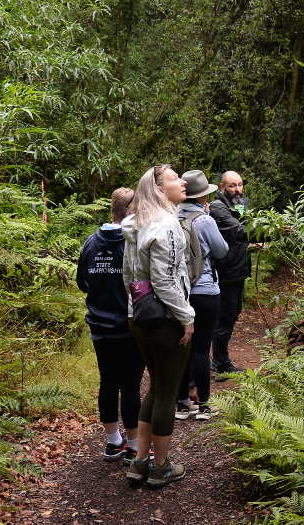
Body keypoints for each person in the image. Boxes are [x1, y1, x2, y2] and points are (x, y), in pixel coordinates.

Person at [121, 165, 195, 488]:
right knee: (167, 391)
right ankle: (161, 466)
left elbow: (127, 276)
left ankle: (139, 462)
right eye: (175, 178)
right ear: (159, 189)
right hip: (165, 319)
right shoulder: (166, 225)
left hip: (138, 316)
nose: (182, 181)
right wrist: (186, 316)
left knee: (154, 386)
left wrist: (137, 306)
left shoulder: (136, 224)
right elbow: (165, 280)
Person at [76, 187, 143, 463]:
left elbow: (82, 282)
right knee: (130, 386)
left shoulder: (91, 242)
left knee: (108, 382)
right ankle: (134, 445)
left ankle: (113, 441)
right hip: (128, 327)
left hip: (99, 326)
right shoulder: (131, 243)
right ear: (130, 211)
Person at [174, 170, 228, 421]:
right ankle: (205, 405)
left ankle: (182, 403)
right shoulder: (205, 220)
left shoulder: (171, 217)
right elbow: (222, 250)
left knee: (183, 346)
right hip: (205, 289)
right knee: (201, 348)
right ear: (203, 195)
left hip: (179, 291)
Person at [208, 170, 255, 377]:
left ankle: (219, 360)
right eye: (232, 186)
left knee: (232, 314)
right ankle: (220, 363)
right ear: (222, 187)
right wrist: (273, 232)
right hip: (225, 271)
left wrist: (253, 244)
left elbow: (241, 235)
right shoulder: (218, 207)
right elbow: (238, 231)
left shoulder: (241, 203)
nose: (237, 189)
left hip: (239, 269)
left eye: (240, 184)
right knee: (224, 318)